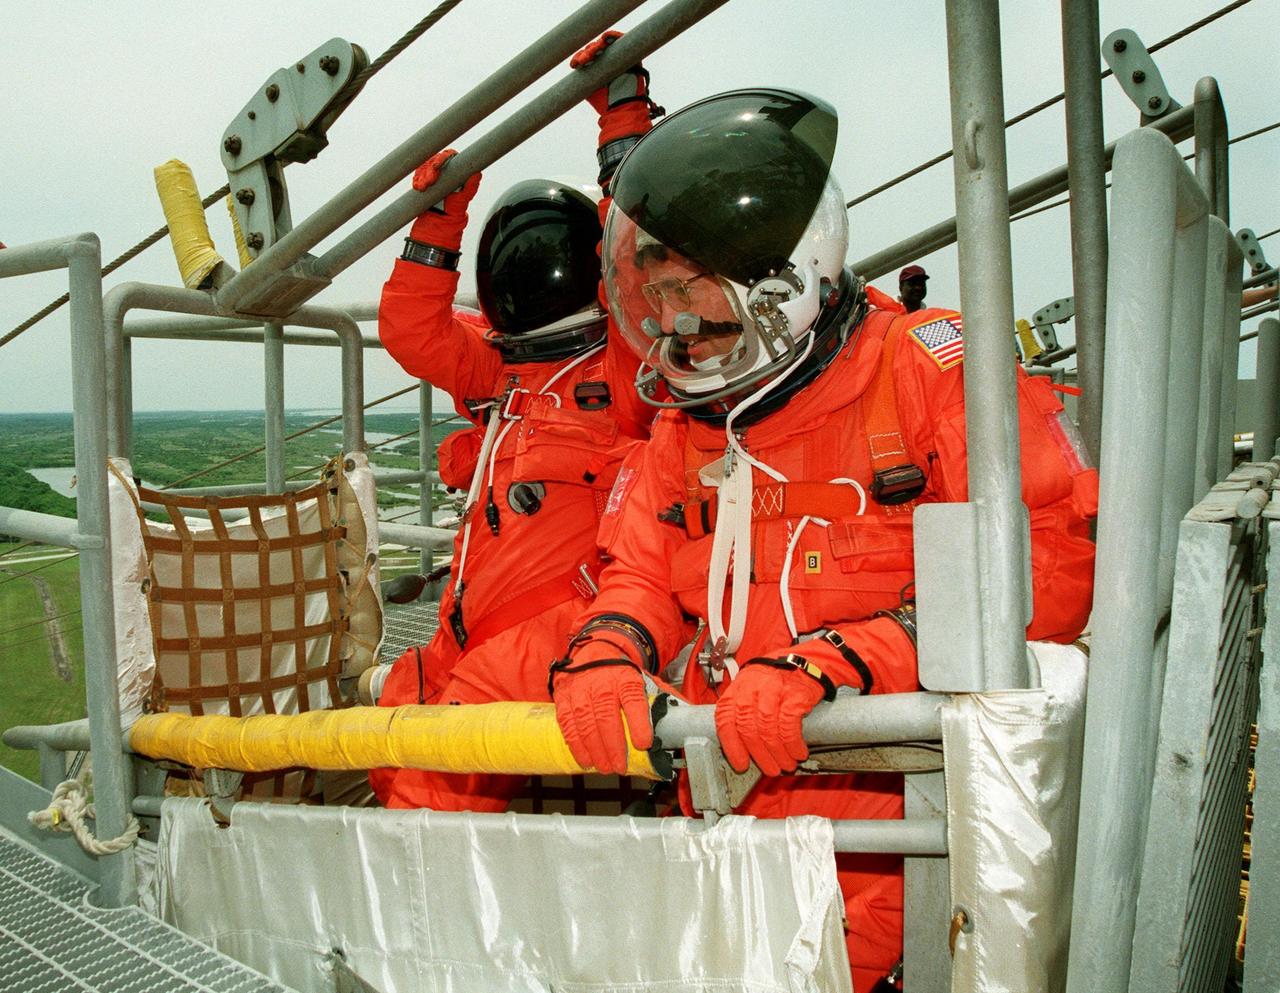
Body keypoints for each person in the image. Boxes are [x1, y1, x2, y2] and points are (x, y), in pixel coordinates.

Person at [548, 88, 1098, 991]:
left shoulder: (922, 372)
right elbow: (638, 573)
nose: (666, 314)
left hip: (902, 842)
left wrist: (843, 660)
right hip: (728, 819)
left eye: (687, 288)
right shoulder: (682, 433)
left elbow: (1051, 561)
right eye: (653, 286)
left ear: (778, 282)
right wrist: (610, 651)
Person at [369, 33, 663, 810]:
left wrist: (624, 128)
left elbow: (642, 266)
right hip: (468, 625)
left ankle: (423, 906)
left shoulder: (622, 375)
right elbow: (409, 329)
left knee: (438, 773)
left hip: (564, 625)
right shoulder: (503, 373)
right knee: (395, 719)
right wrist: (436, 222)